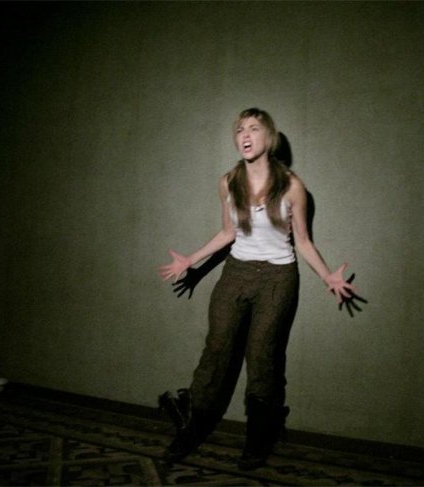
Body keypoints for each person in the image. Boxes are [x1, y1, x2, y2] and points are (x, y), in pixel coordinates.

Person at [158, 108, 360, 470]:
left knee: (262, 358)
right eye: (239, 129)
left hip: (277, 278)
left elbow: (302, 241)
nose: (245, 135)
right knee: (216, 350)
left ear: (270, 137)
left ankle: (258, 438)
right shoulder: (228, 182)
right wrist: (191, 261)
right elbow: (228, 233)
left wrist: (327, 277)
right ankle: (189, 429)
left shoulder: (292, 186)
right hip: (236, 272)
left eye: (253, 128)